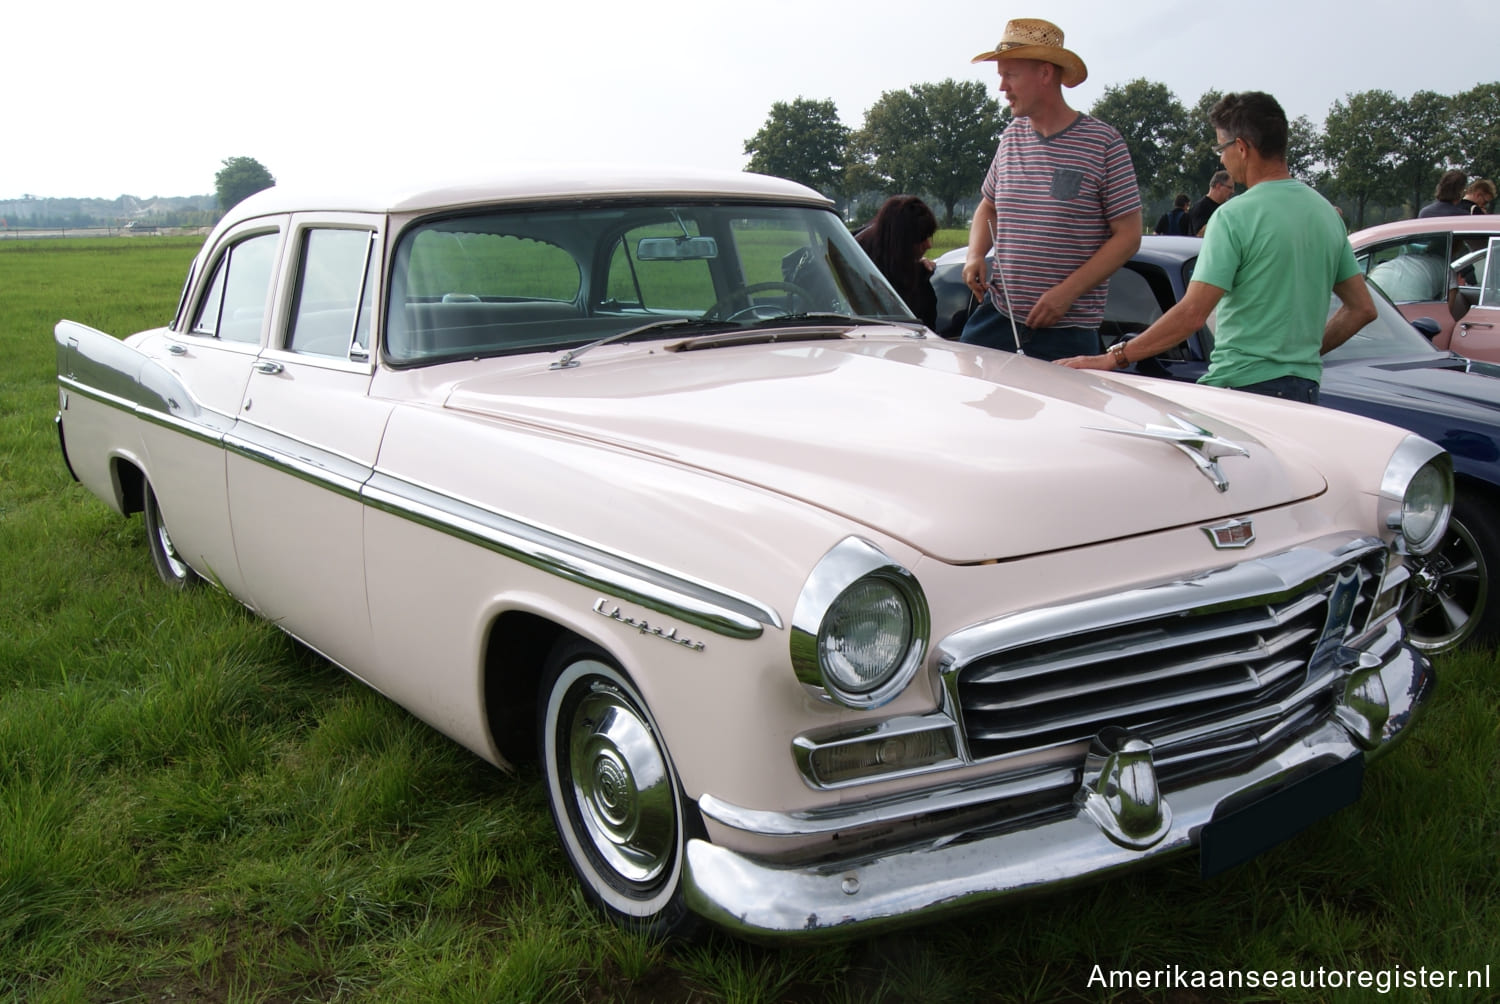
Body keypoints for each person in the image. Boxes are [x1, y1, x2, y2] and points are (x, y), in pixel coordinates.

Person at [1058, 91, 1376, 405]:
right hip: (1304, 393)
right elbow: (1362, 309)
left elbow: (1193, 313)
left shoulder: (1233, 216)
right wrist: (1300, 356)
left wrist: (1117, 356)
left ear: (1241, 148)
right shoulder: (1326, 214)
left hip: (1241, 391)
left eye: (1221, 148)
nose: (1221, 158)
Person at [958, 17, 1142, 361]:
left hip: (1068, 335)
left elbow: (1128, 236)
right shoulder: (1011, 137)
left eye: (1009, 75)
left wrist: (1066, 293)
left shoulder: (1104, 143)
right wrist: (974, 255)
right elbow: (988, 206)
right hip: (996, 320)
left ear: (1045, 74)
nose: (1002, 87)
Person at [855, 195, 939, 328]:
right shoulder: (853, 270)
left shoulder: (918, 275)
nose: (928, 245)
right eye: (921, 238)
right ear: (902, 242)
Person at [1189, 171, 1234, 235]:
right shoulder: (1201, 207)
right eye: (1230, 188)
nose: (1232, 191)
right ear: (1218, 186)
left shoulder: (1225, 207)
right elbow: (1200, 234)